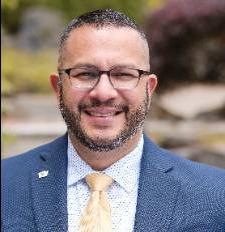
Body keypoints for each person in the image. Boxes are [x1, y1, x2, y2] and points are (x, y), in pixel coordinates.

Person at [1, 9, 225, 232]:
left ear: (149, 89)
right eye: (85, 73)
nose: (103, 92)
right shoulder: (6, 184)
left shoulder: (216, 196)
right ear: (58, 88)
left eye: (123, 74)